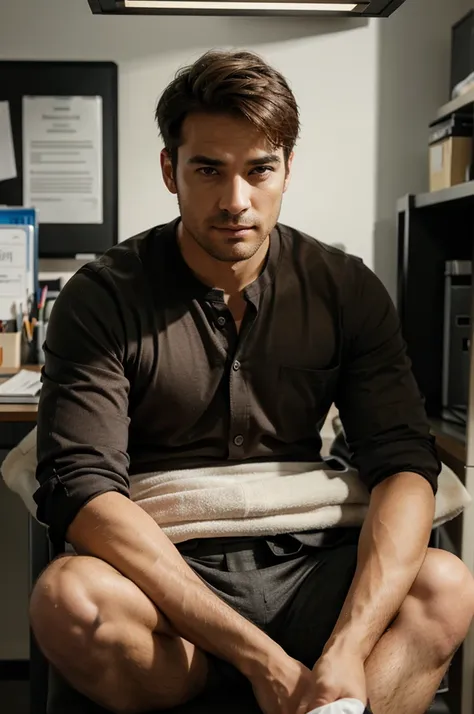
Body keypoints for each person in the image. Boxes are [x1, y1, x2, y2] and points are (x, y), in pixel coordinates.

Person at [29, 50, 474, 714]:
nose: (235, 201)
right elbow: (81, 488)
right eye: (208, 169)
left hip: (312, 564)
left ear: (287, 170)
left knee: (446, 587)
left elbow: (405, 464)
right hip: (165, 578)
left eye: (259, 169)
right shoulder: (101, 297)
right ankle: (240, 687)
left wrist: (348, 647)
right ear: (169, 171)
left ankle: (323, 690)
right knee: (67, 599)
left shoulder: (345, 288)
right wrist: (257, 658)